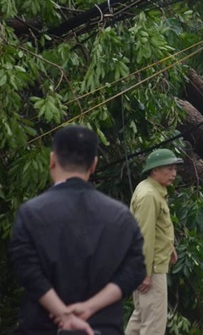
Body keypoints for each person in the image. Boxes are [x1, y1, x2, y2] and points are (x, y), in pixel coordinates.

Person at [10, 125, 146, 334]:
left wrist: (63, 314)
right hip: (102, 328)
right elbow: (134, 271)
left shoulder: (31, 213)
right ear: (93, 164)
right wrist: (89, 307)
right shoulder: (121, 217)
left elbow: (27, 270)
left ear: (52, 160)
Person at [125, 149, 182, 335]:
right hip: (151, 269)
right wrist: (145, 273)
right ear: (154, 170)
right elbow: (143, 236)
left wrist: (169, 247)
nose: (173, 173)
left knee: (141, 318)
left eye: (175, 169)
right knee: (153, 325)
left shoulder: (151, 190)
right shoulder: (149, 195)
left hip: (148, 265)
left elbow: (155, 229)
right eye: (169, 168)